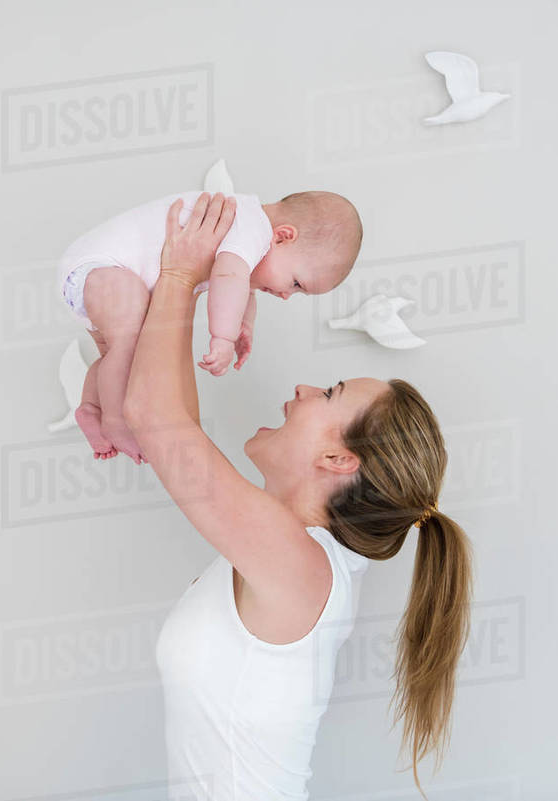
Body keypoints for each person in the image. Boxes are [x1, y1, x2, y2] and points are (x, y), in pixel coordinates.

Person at [124, 192, 473, 801]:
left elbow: (155, 419)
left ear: (339, 460)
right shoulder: (299, 556)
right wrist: (187, 284)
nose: (304, 388)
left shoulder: (303, 565)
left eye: (329, 393)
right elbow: (173, 418)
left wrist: (181, 273)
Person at [57, 188, 362, 464]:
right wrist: (223, 337)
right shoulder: (250, 226)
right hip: (102, 268)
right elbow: (229, 279)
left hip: (101, 276)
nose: (285, 295)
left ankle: (91, 408)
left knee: (120, 353)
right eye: (296, 283)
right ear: (283, 236)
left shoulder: (247, 234)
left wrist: (245, 325)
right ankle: (114, 420)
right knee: (128, 347)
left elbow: (242, 285)